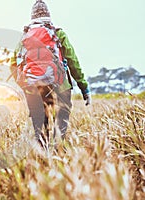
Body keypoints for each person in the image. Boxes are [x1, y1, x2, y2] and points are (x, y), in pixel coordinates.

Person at [10, 0, 91, 146]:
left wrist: (25, 85)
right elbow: (73, 61)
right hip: (60, 85)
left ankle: (42, 156)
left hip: (33, 86)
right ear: (48, 15)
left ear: (32, 17)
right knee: (62, 115)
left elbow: (13, 65)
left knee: (40, 122)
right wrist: (84, 87)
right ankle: (58, 149)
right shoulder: (58, 33)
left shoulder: (24, 37)